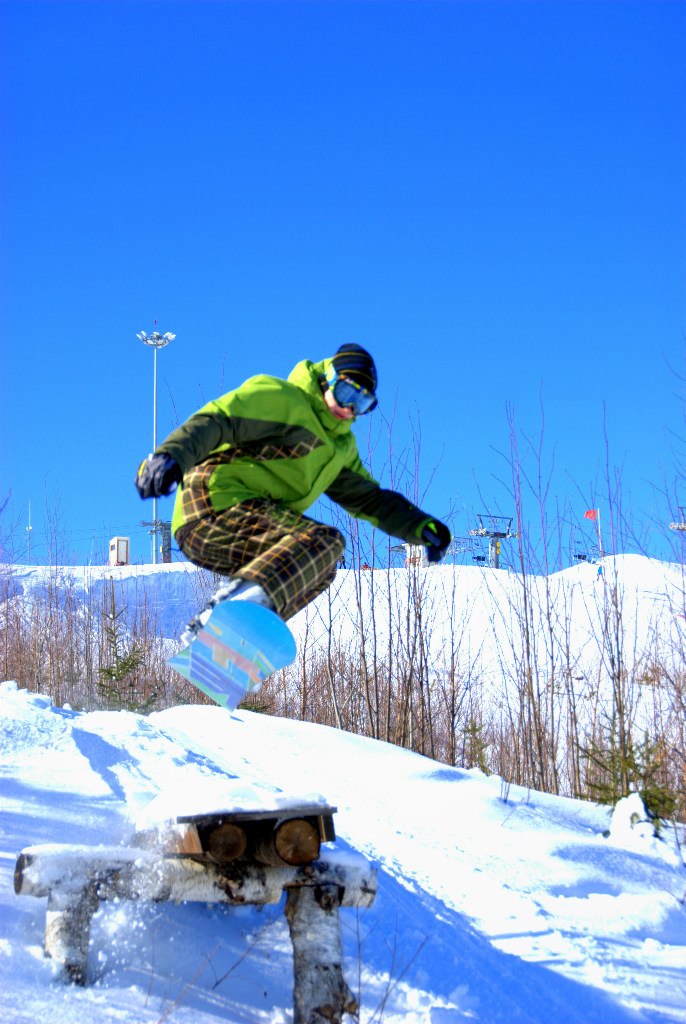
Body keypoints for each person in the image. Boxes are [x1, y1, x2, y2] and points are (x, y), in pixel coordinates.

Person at [135, 344, 451, 642]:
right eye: (345, 394)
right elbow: (219, 420)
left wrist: (420, 527)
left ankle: (230, 641)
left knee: (320, 566)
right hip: (212, 505)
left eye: (363, 404)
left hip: (249, 527)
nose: (349, 409)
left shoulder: (340, 448)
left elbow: (370, 500)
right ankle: (221, 619)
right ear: (328, 380)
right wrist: (171, 455)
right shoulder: (285, 399)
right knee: (322, 542)